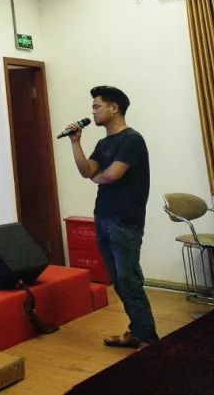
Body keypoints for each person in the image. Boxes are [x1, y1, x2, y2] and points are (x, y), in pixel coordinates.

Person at [66, 85, 158, 349]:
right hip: (103, 216)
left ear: (114, 108)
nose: (93, 111)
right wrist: (75, 143)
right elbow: (87, 170)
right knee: (118, 280)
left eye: (97, 106)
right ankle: (138, 331)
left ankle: (148, 337)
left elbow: (112, 175)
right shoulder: (103, 143)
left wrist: (98, 177)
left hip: (125, 220)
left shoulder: (132, 139)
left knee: (129, 279)